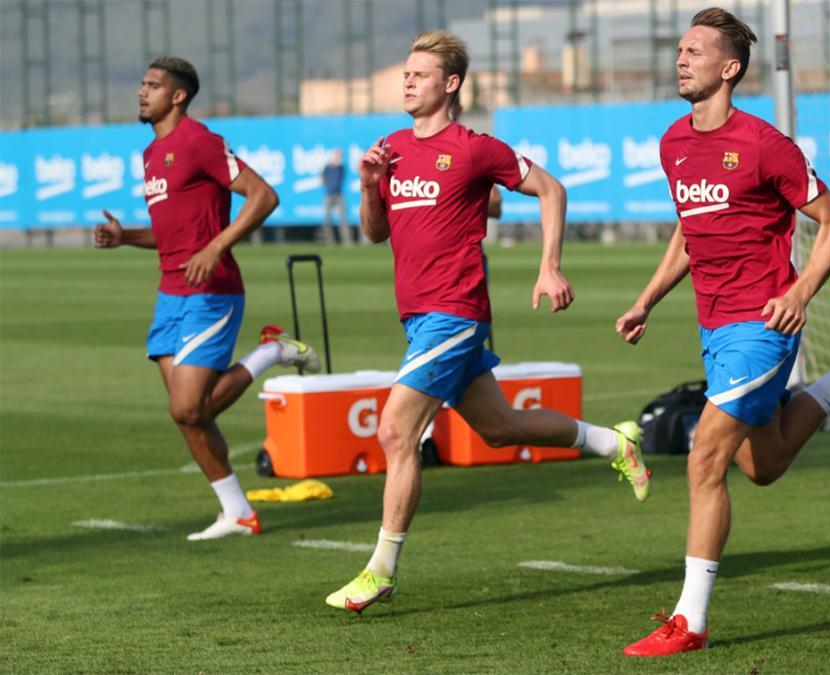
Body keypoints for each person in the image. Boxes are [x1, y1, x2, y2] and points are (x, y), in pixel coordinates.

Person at [616, 8, 830, 657]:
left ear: (729, 67)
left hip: (762, 325)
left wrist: (798, 292)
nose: (681, 59)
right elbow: (689, 233)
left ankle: (690, 621)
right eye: (680, 49)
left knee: (705, 456)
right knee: (764, 462)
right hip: (714, 326)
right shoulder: (673, 142)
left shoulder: (763, 144)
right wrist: (646, 298)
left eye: (695, 51)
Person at [324, 30, 651, 614]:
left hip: (455, 313)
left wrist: (549, 267)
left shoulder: (474, 149)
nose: (407, 82)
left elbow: (552, 188)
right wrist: (371, 183)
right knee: (499, 428)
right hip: (420, 316)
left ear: (450, 84)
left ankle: (380, 571)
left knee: (397, 431)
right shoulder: (393, 147)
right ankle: (612, 440)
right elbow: (377, 233)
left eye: (419, 75)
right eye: (405, 73)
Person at [93, 57, 321, 541]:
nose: (142, 92)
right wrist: (125, 236)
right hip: (170, 293)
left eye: (153, 86)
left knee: (187, 408)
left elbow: (264, 195)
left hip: (212, 291)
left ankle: (273, 350)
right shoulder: (152, 155)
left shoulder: (199, 141)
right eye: (141, 84)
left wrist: (217, 245)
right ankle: (238, 512)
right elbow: (171, 231)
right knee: (190, 416)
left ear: (178, 96)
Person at [320, 149, 354, 246]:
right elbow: (322, 178)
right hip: (329, 195)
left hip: (339, 195)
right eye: (336, 156)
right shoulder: (327, 168)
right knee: (327, 219)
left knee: (343, 219)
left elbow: (341, 175)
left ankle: (346, 240)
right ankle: (329, 241)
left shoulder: (341, 168)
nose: (338, 158)